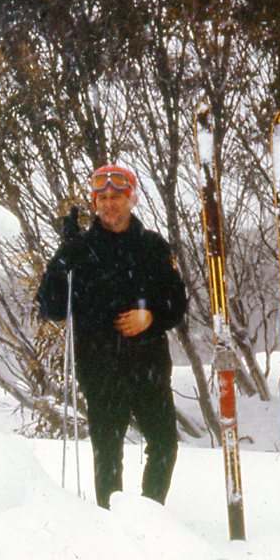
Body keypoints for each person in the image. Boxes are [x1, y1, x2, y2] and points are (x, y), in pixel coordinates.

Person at [36, 164, 188, 508]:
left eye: (116, 196)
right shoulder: (80, 250)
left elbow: (177, 303)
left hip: (147, 366)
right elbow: (51, 307)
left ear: (131, 198)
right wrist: (63, 255)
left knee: (164, 444)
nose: (108, 204)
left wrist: (150, 315)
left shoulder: (152, 247)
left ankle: (150, 513)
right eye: (101, 198)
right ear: (94, 203)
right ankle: (111, 521)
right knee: (108, 451)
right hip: (100, 368)